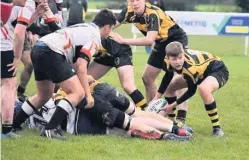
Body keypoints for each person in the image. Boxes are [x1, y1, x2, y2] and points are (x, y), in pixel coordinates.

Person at [13, 9, 116, 139]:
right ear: (107, 27)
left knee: (44, 95)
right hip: (51, 51)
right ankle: (50, 129)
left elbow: (73, 63)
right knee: (78, 93)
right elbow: (81, 65)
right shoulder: (95, 37)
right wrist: (88, 95)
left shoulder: (83, 27)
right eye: (111, 29)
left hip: (39, 47)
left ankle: (14, 124)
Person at [15, 76, 192, 141]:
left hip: (81, 115)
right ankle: (176, 128)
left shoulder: (25, 109)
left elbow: (64, 100)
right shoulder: (40, 98)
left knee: (128, 127)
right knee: (136, 115)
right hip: (99, 88)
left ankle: (168, 135)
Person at [111, 0, 188, 120]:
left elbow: (149, 40)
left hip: (175, 38)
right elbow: (110, 25)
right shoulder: (128, 12)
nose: (134, 3)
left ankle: (181, 117)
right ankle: (153, 113)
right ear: (128, 2)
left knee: (179, 76)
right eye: (131, 0)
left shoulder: (152, 13)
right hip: (160, 41)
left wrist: (123, 41)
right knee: (147, 77)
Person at [157, 41, 229, 137]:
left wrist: (172, 105)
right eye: (174, 59)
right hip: (201, 72)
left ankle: (217, 128)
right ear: (168, 57)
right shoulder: (165, 60)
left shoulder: (190, 68)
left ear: (183, 54)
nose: (178, 62)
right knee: (169, 87)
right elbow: (168, 76)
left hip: (218, 69)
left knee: (204, 89)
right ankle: (172, 124)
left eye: (180, 58)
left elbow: (191, 91)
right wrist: (156, 97)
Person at [1, 0, 33, 139]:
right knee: (9, 86)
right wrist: (17, 57)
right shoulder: (21, 8)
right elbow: (20, 32)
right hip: (4, 50)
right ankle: (6, 131)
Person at [16, 0, 53, 101]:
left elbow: (24, 25)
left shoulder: (33, 2)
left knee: (30, 65)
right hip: (11, 38)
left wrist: (37, 14)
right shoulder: (28, 1)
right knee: (7, 77)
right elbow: (19, 28)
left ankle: (19, 93)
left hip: (19, 36)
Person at [87, 37, 147, 109]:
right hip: (105, 55)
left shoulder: (79, 38)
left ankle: (144, 112)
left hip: (120, 51)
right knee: (81, 81)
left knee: (128, 86)